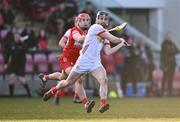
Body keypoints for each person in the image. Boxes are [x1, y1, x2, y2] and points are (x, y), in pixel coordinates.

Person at [43, 11, 130, 113]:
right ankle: (53, 90)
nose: (102, 20)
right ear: (96, 20)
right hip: (83, 61)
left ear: (107, 22)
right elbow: (114, 39)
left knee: (104, 80)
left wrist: (121, 45)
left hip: (95, 63)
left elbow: (108, 52)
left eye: (104, 19)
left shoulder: (105, 34)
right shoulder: (95, 27)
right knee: (67, 82)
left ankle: (103, 104)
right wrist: (120, 39)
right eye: (100, 18)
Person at [38, 13, 91, 105]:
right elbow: (62, 42)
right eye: (82, 20)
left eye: (87, 20)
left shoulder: (87, 33)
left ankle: (45, 77)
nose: (85, 23)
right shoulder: (72, 31)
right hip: (67, 58)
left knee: (63, 77)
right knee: (78, 79)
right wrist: (66, 51)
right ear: (77, 22)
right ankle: (85, 103)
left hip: (76, 59)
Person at [4, 32, 31, 97]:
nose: (16, 38)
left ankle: (29, 94)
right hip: (13, 64)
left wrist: (22, 43)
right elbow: (7, 54)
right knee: (11, 77)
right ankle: (11, 95)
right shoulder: (12, 45)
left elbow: (26, 49)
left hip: (20, 65)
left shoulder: (22, 44)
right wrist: (6, 63)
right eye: (15, 37)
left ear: (19, 37)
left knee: (22, 79)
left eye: (18, 37)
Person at [160, 32, 179, 96]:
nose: (169, 37)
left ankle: (169, 92)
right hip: (166, 64)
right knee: (165, 78)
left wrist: (174, 51)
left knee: (171, 78)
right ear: (166, 36)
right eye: (168, 36)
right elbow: (169, 51)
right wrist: (173, 51)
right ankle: (162, 92)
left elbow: (177, 51)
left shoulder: (173, 44)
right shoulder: (164, 44)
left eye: (170, 36)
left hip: (173, 63)